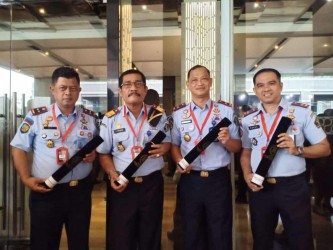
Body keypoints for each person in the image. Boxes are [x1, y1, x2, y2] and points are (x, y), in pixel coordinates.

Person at [240, 68, 331, 250]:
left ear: (281, 85)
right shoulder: (248, 119)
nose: (266, 89)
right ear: (255, 90)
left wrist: (297, 149)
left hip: (292, 187)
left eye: (271, 83)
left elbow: (325, 149)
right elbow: (246, 152)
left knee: (300, 239)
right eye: (260, 85)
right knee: (261, 239)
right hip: (260, 188)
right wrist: (246, 174)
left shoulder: (301, 113)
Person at [10, 66, 98, 250]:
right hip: (46, 192)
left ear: (79, 91)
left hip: (79, 193)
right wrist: (25, 178)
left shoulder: (90, 118)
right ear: (53, 90)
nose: (68, 93)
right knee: (44, 243)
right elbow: (18, 147)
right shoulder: (37, 117)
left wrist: (93, 154)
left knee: (79, 243)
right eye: (63, 88)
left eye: (73, 88)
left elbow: (98, 148)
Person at [97, 69, 171, 250]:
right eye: (127, 84)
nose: (133, 88)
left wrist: (165, 148)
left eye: (138, 84)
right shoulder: (110, 119)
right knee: (122, 235)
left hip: (151, 184)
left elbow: (168, 142)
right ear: (120, 91)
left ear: (145, 90)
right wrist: (112, 173)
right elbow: (103, 153)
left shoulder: (159, 116)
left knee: (150, 234)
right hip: (123, 184)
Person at [171, 65, 241, 250]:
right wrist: (179, 160)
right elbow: (174, 145)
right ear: (188, 84)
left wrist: (227, 141)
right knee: (191, 230)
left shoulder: (226, 111)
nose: (199, 83)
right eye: (194, 80)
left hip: (217, 180)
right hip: (190, 180)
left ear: (210, 82)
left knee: (220, 230)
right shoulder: (178, 114)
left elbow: (237, 146)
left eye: (204, 79)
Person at [235, 104, 251, 204]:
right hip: (243, 151)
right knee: (243, 175)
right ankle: (242, 196)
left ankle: (242, 196)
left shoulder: (247, 121)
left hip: (246, 151)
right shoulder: (242, 121)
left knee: (243, 176)